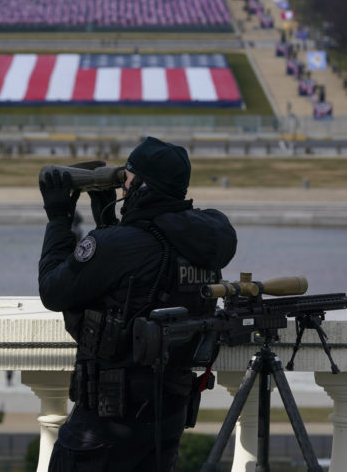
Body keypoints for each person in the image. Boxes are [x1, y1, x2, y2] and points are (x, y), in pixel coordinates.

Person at [38, 136, 237, 472]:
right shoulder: (199, 242)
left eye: (127, 179)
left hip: (105, 424)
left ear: (142, 184)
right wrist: (109, 224)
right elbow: (136, 286)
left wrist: (59, 218)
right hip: (164, 419)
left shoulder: (119, 246)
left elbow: (53, 291)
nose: (123, 186)